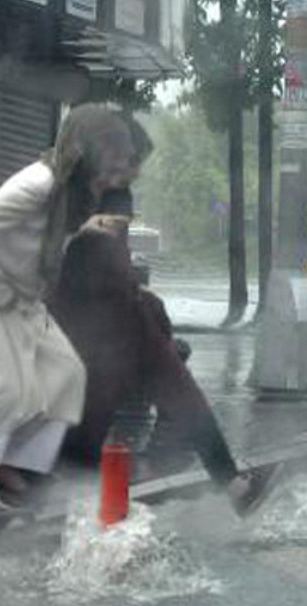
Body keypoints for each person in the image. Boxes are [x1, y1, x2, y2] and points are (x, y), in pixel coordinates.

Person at [0, 104, 145, 517]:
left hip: (19, 294)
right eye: (111, 167)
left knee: (66, 375)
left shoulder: (73, 190)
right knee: (3, 393)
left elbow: (45, 227)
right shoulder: (38, 183)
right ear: (86, 156)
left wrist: (89, 225)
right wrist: (0, 291)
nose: (115, 178)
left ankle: (9, 466)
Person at [48, 190, 284, 516]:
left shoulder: (89, 248)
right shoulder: (88, 249)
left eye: (125, 223)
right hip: (101, 362)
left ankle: (74, 514)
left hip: (110, 360)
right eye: (117, 222)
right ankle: (72, 514)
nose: (120, 229)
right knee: (88, 441)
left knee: (181, 402)